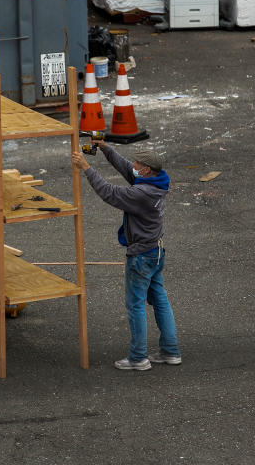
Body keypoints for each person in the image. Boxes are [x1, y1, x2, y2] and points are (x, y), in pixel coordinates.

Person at [72, 141, 181, 370]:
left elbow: (109, 193)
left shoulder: (141, 193)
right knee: (160, 300)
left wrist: (86, 168)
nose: (132, 165)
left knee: (136, 306)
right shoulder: (159, 180)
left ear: (146, 170)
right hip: (156, 252)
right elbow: (126, 169)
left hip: (141, 256)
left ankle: (138, 358)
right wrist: (105, 149)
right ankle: (171, 352)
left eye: (137, 164)